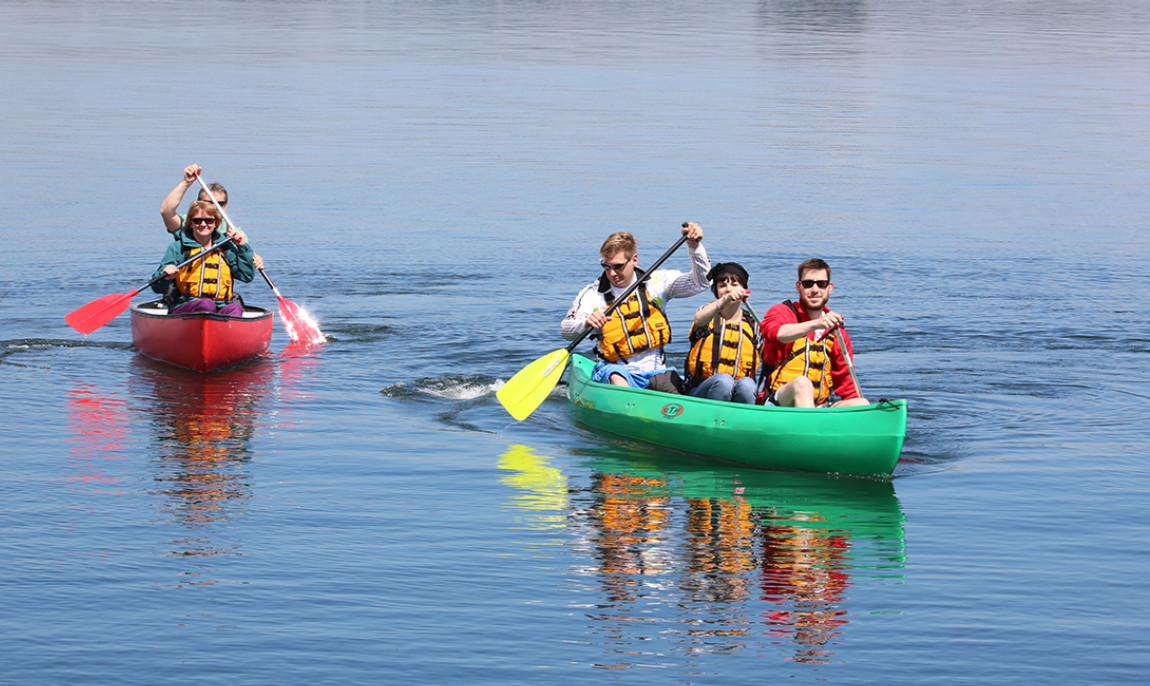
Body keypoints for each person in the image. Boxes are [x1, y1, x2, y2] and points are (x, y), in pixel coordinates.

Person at [560, 222, 710, 389]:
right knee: (617, 379)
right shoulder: (592, 295)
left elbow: (702, 283)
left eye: (618, 266)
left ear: (634, 260)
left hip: (656, 373)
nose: (611, 273)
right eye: (606, 266)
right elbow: (566, 330)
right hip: (614, 371)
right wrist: (586, 323)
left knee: (673, 391)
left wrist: (694, 247)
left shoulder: (657, 284)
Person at [758, 258, 869, 407]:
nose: (815, 289)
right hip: (778, 403)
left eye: (821, 284)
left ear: (829, 288)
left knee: (860, 403)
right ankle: (809, 426)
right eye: (808, 284)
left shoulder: (837, 332)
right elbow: (775, 333)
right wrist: (816, 324)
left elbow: (846, 384)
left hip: (817, 407)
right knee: (802, 384)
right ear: (799, 287)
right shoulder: (782, 311)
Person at [152, 200, 262, 316]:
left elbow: (246, 276)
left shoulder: (225, 247)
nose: (203, 224)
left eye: (209, 220)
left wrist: (243, 247)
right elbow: (157, 287)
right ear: (190, 223)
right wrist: (166, 276)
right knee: (207, 304)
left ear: (216, 223)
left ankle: (227, 331)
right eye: (197, 220)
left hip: (221, 305)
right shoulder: (178, 248)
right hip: (186, 305)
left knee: (235, 308)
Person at [683, 262, 760, 403]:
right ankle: (713, 420)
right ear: (717, 291)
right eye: (723, 286)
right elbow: (699, 320)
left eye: (734, 285)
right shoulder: (707, 311)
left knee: (747, 385)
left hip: (737, 390)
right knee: (724, 380)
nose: (728, 289)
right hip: (702, 390)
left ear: (744, 290)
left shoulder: (752, 323)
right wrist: (725, 300)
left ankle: (743, 421)